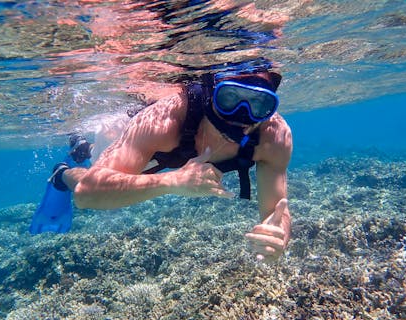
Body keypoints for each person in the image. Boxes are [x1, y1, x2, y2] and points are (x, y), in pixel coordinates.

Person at [31, 63, 293, 262]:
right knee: (101, 158)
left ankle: (84, 149)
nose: (241, 115)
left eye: (259, 104)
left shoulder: (274, 137)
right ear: (213, 93)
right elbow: (88, 194)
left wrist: (278, 236)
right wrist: (171, 181)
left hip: (167, 152)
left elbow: (278, 211)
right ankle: (61, 174)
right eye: (229, 98)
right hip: (147, 145)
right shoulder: (167, 118)